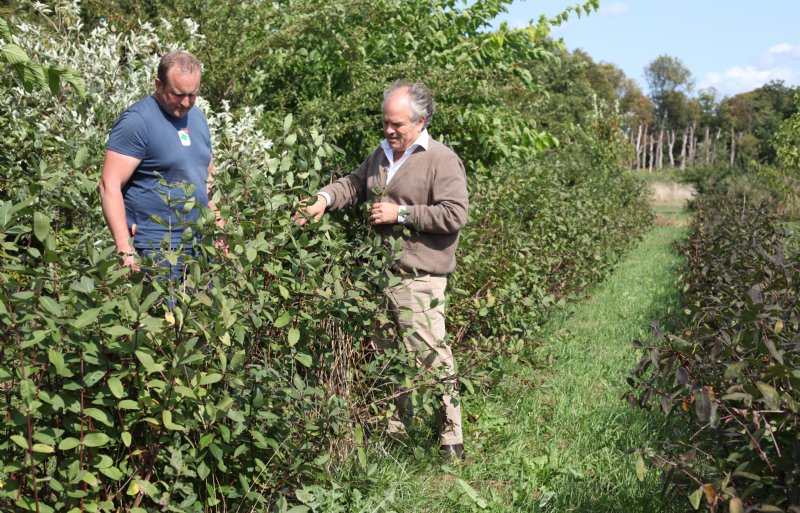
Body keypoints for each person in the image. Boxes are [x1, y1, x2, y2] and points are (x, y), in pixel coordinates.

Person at [295, 80, 469, 460]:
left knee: (431, 357)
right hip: (380, 275)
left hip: (419, 279)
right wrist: (323, 199)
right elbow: (355, 184)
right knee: (385, 355)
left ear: (421, 122)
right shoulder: (382, 154)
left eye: (397, 125)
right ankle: (394, 430)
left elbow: (455, 215)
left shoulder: (442, 160)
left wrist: (401, 213)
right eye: (385, 123)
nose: (388, 131)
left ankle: (451, 438)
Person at [99, 50, 225, 278]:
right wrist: (124, 248)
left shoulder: (197, 118)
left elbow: (207, 178)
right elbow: (109, 184)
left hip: (199, 247)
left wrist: (220, 227)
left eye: (192, 95)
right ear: (159, 84)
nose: (186, 103)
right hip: (154, 248)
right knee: (161, 313)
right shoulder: (137, 122)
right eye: (178, 95)